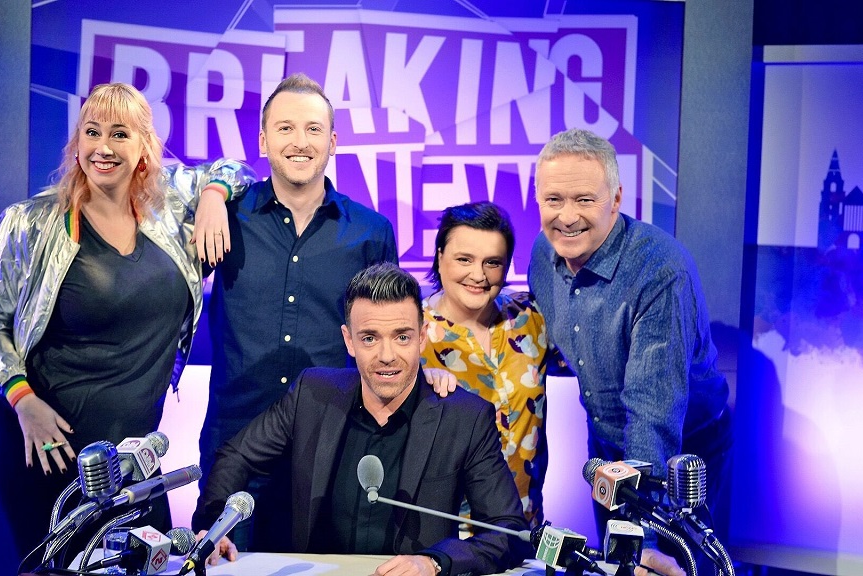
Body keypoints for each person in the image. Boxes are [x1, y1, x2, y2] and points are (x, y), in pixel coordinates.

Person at [0, 82, 255, 560]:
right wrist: (22, 400)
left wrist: (213, 196)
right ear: (77, 143)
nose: (102, 147)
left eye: (119, 134)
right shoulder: (31, 222)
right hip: (49, 455)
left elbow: (236, 171)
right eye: (91, 132)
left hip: (136, 465)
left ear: (144, 146)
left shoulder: (170, 212)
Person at [192, 262, 532, 576]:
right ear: (349, 340)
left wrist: (434, 563)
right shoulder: (313, 393)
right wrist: (214, 525)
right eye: (370, 338)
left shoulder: (464, 416)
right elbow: (236, 455)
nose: (387, 356)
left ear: (422, 337)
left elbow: (509, 531)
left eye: (402, 337)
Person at [192, 72, 399, 550]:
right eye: (285, 128)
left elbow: (391, 337)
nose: (299, 142)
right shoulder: (227, 216)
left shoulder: (370, 231)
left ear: (332, 141)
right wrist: (212, 191)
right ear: (263, 140)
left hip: (335, 446)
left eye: (312, 129)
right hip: (235, 447)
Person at [528, 128, 731, 574]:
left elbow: (653, 413)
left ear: (616, 199)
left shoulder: (660, 271)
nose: (567, 216)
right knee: (621, 565)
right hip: (607, 444)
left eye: (584, 199)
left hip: (682, 455)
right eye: (553, 199)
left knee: (673, 567)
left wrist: (645, 540)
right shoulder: (543, 254)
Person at [420, 201, 550, 526]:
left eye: (492, 263)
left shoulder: (530, 317)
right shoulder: (409, 334)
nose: (478, 275)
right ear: (439, 257)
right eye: (464, 259)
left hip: (526, 532)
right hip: (446, 542)